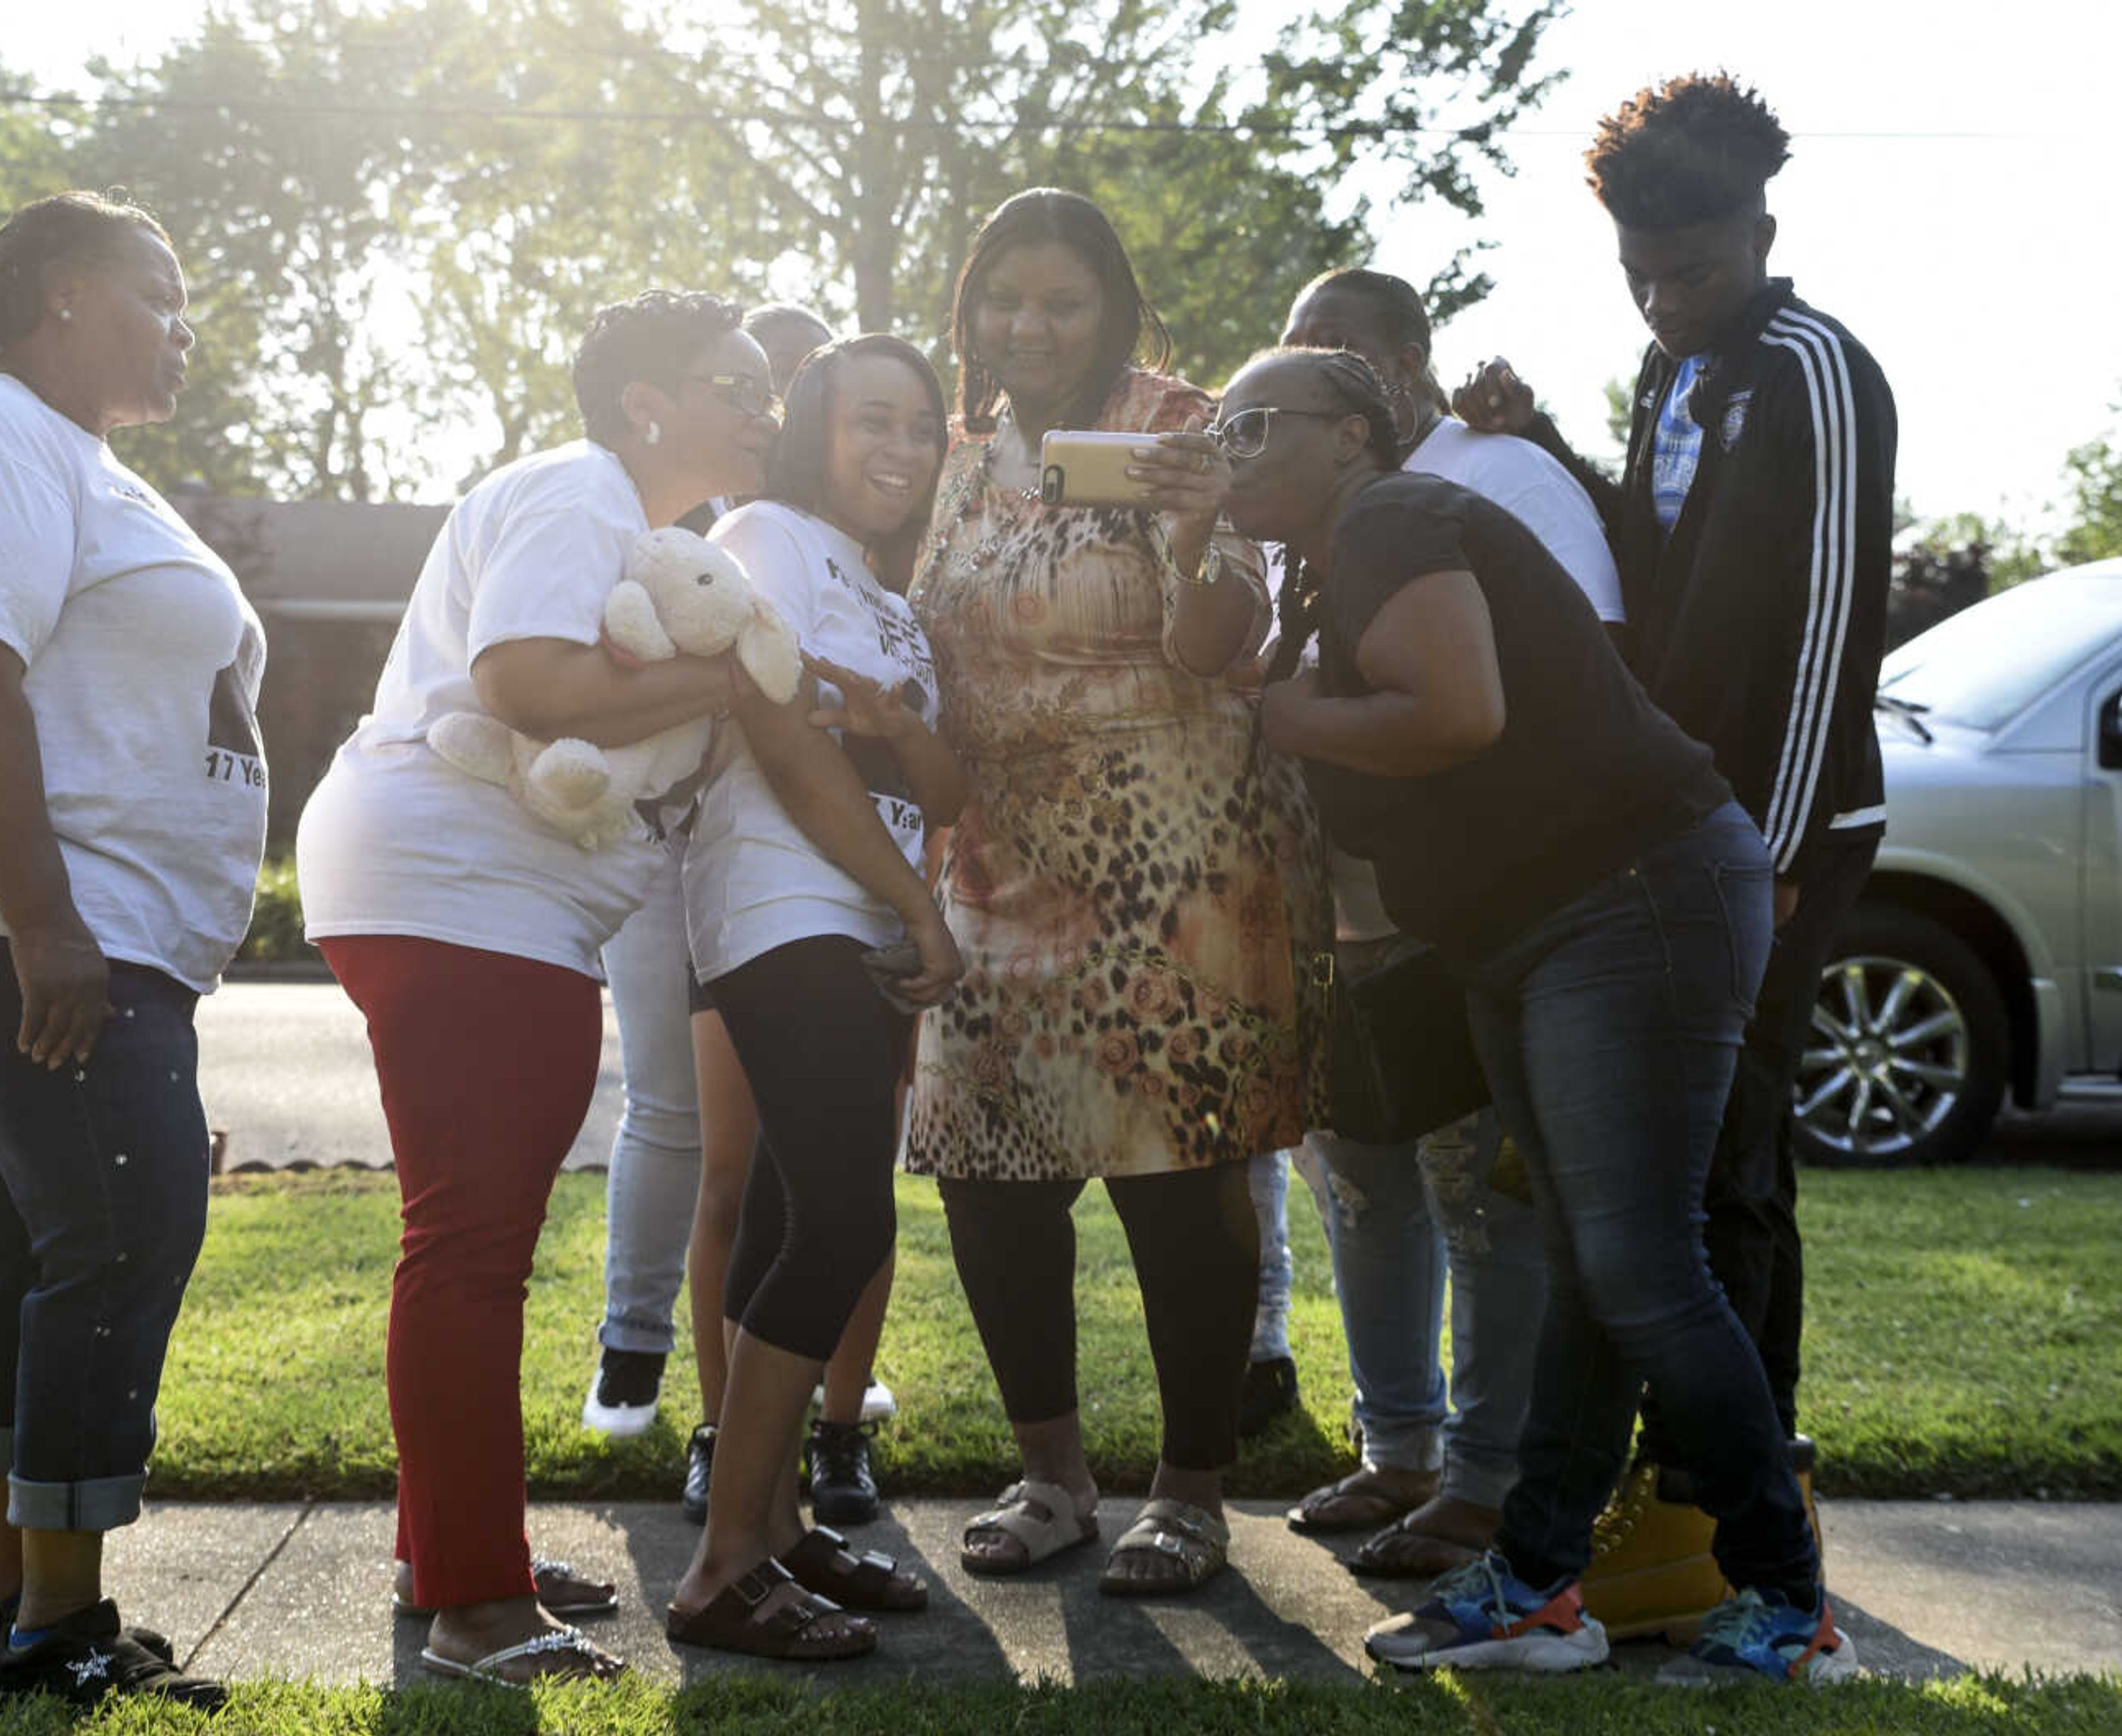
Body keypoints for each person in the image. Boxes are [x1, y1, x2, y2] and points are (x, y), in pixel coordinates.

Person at [1224, 343, 1855, 1685]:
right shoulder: (1333, 565)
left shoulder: (1396, 512)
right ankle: (1533, 1584)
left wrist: (1280, 716)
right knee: (1588, 1254)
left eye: (1255, 427)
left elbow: (1455, 712)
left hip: (1633, 897)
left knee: (1641, 1259)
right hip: (1539, 925)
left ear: (1353, 432)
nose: (1229, 452)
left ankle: (1789, 1597)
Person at [294, 290, 777, 1687]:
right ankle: (476, 1608)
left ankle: (449, 1550)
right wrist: (729, 686)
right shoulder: (580, 490)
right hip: (460, 894)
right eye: (732, 385)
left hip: (475, 897)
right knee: (472, 1248)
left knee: (467, 1242)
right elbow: (522, 680)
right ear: (645, 404)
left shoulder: (636, 529)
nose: (760, 409)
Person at [1454, 73, 1895, 1507]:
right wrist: (1548, 447)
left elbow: (1833, 622)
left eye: (1692, 274)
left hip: (1782, 827)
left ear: (1762, 232)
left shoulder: (1819, 370)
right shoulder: (1674, 375)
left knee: (1737, 1153)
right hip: (1680, 822)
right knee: (1671, 1154)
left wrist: (1768, 847)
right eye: (1640, 281)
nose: (1664, 303)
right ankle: (1689, 1470)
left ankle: (1740, 1482)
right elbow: (1651, 583)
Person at [0, 190, 249, 1711]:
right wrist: (47, 924)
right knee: (123, 1232)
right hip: (14, 914)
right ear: (64, 293)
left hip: (87, 924)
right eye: (159, 288)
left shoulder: (77, 461)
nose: (184, 324)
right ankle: (63, 1632)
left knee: (41, 1243)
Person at [906, 188, 1330, 1597]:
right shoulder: (960, 462)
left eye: (1061, 302)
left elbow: (1227, 645)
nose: (1028, 327)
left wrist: (1208, 536)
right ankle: (1052, 1477)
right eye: (1002, 301)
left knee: (1179, 1171)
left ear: (1114, 308)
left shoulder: (1176, 430)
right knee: (986, 1168)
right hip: (997, 858)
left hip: (1174, 850)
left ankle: (1193, 1493)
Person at [1268, 266, 1621, 1578]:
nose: (1325, 371)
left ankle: (1487, 1477)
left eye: (1349, 349)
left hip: (1468, 902)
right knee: (1361, 1188)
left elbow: (1569, 666)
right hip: (1332, 910)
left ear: (1411, 362)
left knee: (1478, 1197)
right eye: (1302, 348)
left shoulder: (1497, 472)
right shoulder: (1283, 509)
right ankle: (1395, 1450)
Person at [666, 334, 967, 1659]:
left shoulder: (889, 591)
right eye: (871, 423)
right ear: (814, 431)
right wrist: (914, 907)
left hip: (862, 915)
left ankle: (779, 1528)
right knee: (842, 1220)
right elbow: (781, 734)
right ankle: (725, 1567)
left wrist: (899, 725)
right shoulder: (769, 533)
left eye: (921, 428)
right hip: (787, 906)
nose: (898, 452)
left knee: (802, 1213)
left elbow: (948, 788)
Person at [584, 301, 840, 1446]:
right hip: (661, 841)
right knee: (671, 1108)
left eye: (789, 387)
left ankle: (808, 1384)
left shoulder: (833, 534)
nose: (770, 408)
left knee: (805, 1136)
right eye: (752, 386)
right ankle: (633, 1350)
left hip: (783, 851)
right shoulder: (660, 520)